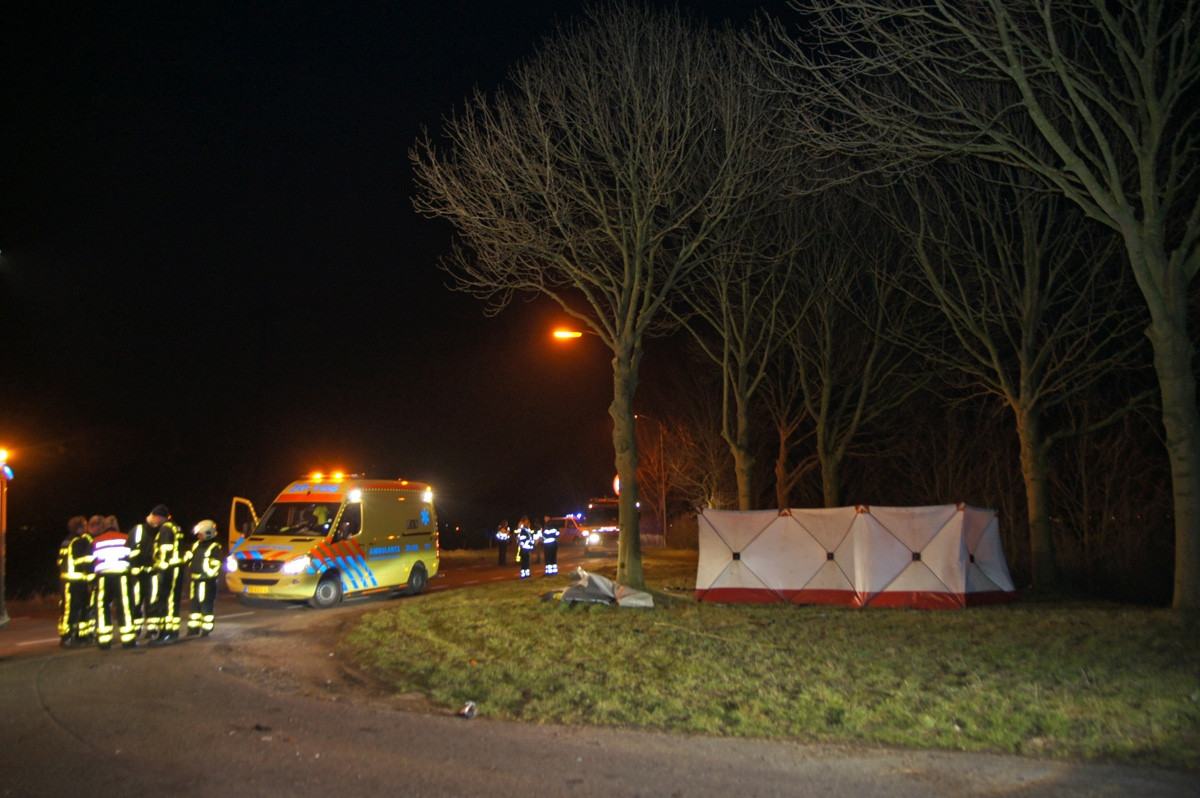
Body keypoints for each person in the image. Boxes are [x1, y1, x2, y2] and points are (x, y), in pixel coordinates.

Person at [92, 515, 137, 649]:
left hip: (103, 578)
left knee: (102, 608)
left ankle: (104, 641)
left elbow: (92, 561)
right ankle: (128, 640)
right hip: (121, 576)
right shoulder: (125, 537)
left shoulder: (96, 540)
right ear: (116, 525)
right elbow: (131, 557)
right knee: (125, 607)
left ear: (104, 526)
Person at [127, 505, 169, 638]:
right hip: (136, 574)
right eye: (159, 518)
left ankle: (151, 629)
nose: (159, 521)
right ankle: (135, 628)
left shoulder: (161, 531)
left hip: (152, 574)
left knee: (152, 602)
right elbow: (129, 550)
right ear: (153, 516)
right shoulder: (138, 530)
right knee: (135, 602)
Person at [148, 508, 186, 646]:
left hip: (169, 570)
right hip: (176, 569)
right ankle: (172, 633)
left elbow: (165, 551)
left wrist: (162, 571)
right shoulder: (175, 527)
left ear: (160, 517)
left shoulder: (165, 529)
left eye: (155, 516)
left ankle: (166, 634)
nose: (153, 519)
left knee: (166, 603)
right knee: (173, 602)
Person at [56, 516, 94, 648]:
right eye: (85, 525)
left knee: (67, 609)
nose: (86, 528)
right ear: (79, 528)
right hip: (77, 582)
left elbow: (60, 561)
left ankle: (72, 636)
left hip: (66, 581)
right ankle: (70, 637)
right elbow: (83, 562)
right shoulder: (79, 541)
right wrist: (90, 579)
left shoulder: (66, 541)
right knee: (76, 609)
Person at [185, 519, 222, 637]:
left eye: (200, 534)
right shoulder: (195, 545)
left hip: (207, 581)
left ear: (208, 533)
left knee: (206, 604)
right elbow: (188, 559)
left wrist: (208, 574)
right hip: (195, 580)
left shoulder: (214, 547)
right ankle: (193, 628)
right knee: (194, 604)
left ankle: (206, 628)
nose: (198, 536)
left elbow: (216, 565)